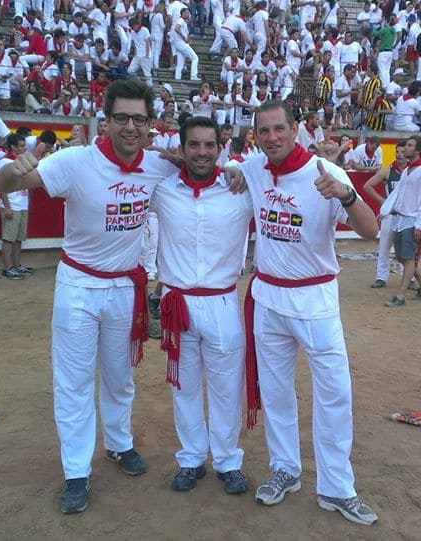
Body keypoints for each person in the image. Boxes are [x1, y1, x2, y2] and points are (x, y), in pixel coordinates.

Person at [0, 79, 180, 514]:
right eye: (121, 118)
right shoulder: (76, 161)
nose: (130, 127)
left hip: (123, 288)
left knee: (120, 375)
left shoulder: (157, 167)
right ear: (106, 120)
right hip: (78, 285)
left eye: (139, 119)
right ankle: (76, 471)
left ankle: (119, 444)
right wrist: (11, 168)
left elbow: (202, 171)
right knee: (74, 381)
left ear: (151, 124)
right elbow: (11, 181)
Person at [234, 100, 378, 525]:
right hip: (269, 298)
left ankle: (337, 487)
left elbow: (371, 231)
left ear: (296, 129)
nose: (273, 137)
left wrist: (348, 195)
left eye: (280, 128)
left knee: (335, 393)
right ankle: (285, 469)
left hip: (315, 299)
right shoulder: (252, 169)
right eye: (264, 131)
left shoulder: (326, 173)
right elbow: (218, 173)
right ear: (255, 136)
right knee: (276, 390)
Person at [151, 116, 252, 494]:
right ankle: (191, 458)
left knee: (227, 389)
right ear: (182, 147)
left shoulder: (241, 188)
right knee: (185, 388)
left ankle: (227, 460)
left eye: (210, 145)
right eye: (193, 145)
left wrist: (238, 169)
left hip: (223, 302)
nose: (202, 152)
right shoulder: (162, 189)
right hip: (179, 305)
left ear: (220, 148)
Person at [381, 135, 421, 307]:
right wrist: (386, 210)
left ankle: (401, 295)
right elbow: (397, 194)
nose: (405, 149)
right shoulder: (407, 170)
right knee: (402, 257)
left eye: (410, 146)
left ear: (418, 150)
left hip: (412, 220)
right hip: (401, 218)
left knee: (409, 258)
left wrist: (420, 224)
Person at [362, 140, 407, 289]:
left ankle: (408, 278)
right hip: (391, 215)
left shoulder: (412, 171)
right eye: (397, 152)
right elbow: (367, 186)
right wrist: (384, 202)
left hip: (406, 216)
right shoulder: (388, 170)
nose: (400, 155)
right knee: (384, 247)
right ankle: (381, 277)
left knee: (405, 248)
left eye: (403, 152)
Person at [0, 134, 33, 280]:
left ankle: (16, 266)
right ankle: (8, 268)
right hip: (12, 204)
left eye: (25, 146)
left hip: (22, 203)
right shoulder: (5, 162)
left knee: (18, 239)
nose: (24, 148)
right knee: (8, 239)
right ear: (13, 147)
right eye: (22, 146)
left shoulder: (21, 161)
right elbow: (1, 186)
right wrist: (7, 207)